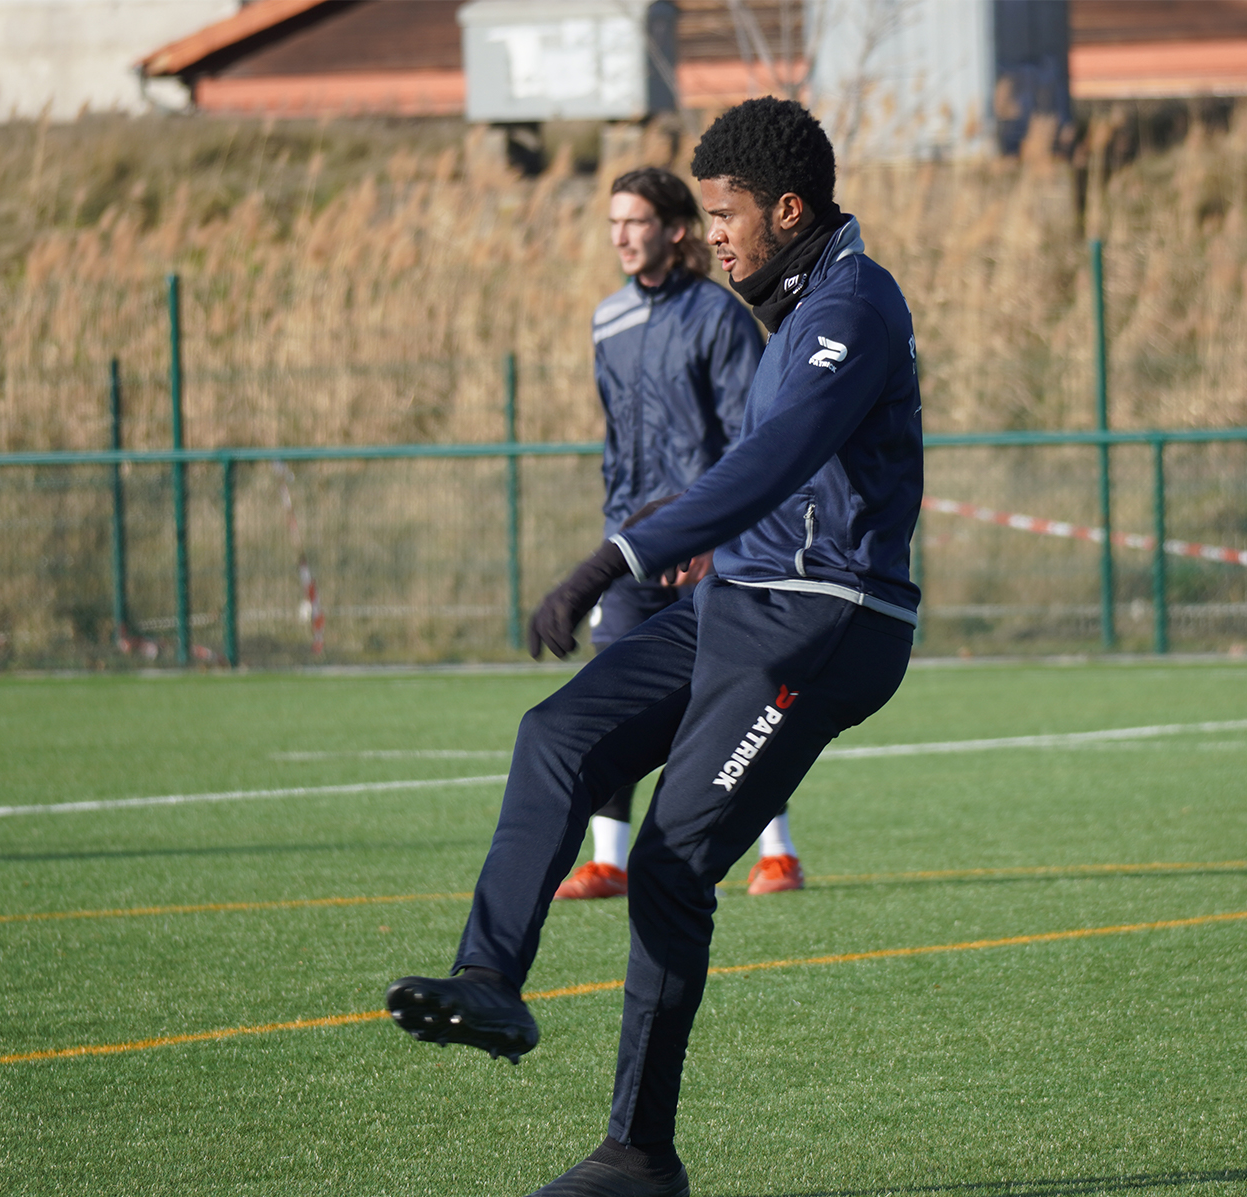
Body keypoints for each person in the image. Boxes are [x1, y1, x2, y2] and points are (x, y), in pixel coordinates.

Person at [387, 97, 922, 1197]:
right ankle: (489, 975)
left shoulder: (851, 309)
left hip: (828, 618)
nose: (710, 232)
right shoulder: (791, 304)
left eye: (726, 214)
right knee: (557, 732)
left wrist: (614, 559)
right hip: (744, 598)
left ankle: (638, 1154)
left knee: (671, 867)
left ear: (788, 208)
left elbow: (772, 461)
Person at [555, 165, 805, 903]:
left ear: (674, 229)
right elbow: (614, 432)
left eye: (635, 222)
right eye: (612, 224)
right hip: (634, 542)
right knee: (613, 690)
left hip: (708, 542)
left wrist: (715, 526)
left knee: (735, 693)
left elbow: (748, 435)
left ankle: (777, 851)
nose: (621, 236)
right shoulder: (608, 319)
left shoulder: (719, 316)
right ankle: (609, 859)